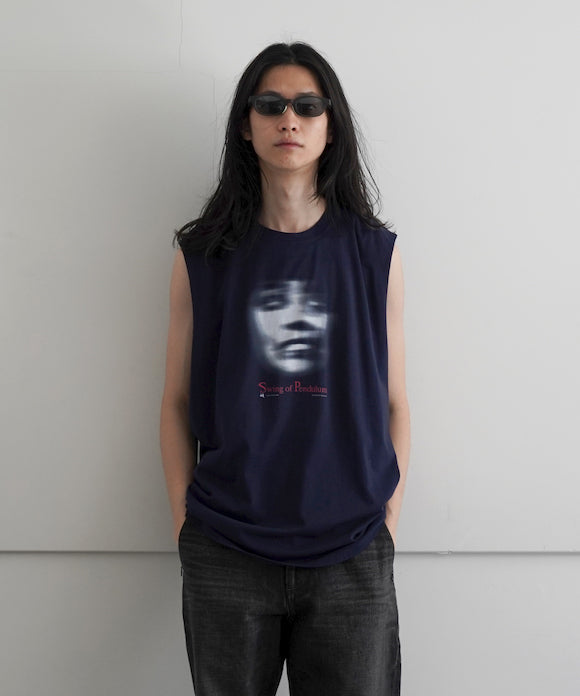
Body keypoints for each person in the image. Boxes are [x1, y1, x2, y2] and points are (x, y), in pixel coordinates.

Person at [160, 41, 410, 696]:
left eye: (307, 106)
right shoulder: (202, 255)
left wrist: (386, 518)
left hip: (352, 550)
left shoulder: (374, 254)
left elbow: (395, 402)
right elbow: (177, 401)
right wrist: (186, 525)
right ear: (246, 125)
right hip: (226, 548)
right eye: (270, 105)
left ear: (331, 125)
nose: (289, 120)